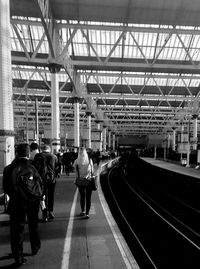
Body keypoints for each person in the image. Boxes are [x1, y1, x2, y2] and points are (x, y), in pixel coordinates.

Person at [3, 143, 43, 267]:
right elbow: (39, 185)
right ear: (27, 154)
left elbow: (6, 188)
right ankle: (35, 247)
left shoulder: (8, 169)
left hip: (16, 202)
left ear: (16, 153)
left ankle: (18, 256)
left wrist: (16, 194)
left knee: (16, 230)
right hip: (32, 202)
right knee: (33, 224)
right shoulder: (33, 167)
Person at [34, 145, 60, 222]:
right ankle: (50, 211)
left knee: (42, 196)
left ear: (42, 149)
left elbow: (35, 167)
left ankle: (44, 213)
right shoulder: (54, 156)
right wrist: (55, 174)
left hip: (41, 180)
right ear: (49, 149)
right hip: (51, 179)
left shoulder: (38, 156)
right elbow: (58, 167)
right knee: (51, 195)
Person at [73, 147, 95, 219]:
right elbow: (92, 170)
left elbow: (75, 171)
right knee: (88, 198)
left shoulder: (76, 161)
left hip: (80, 181)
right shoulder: (89, 160)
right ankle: (87, 214)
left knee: (82, 196)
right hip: (88, 180)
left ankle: (83, 211)